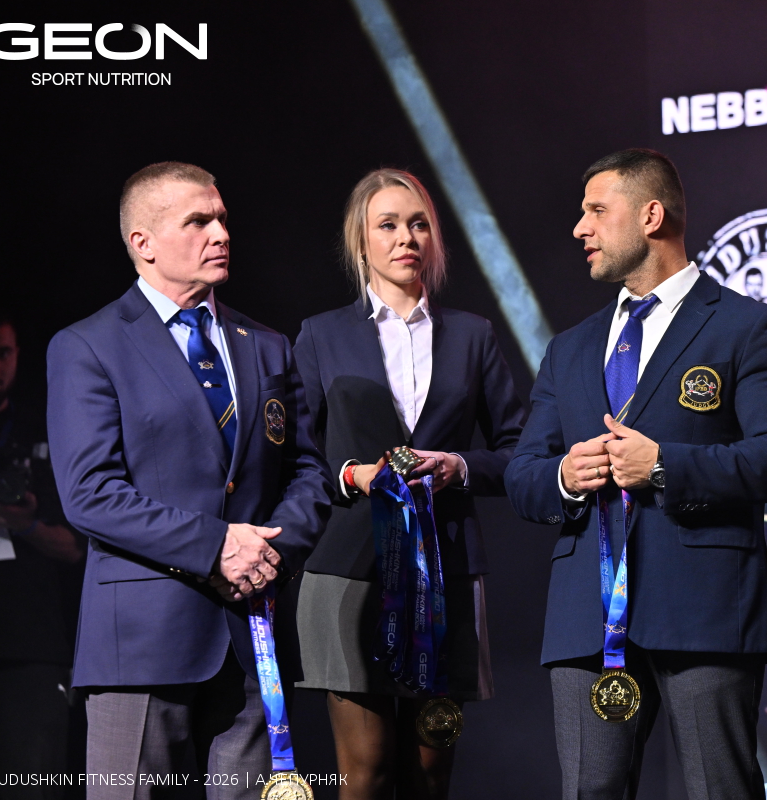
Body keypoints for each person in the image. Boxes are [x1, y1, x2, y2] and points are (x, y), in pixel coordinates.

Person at [504, 149, 767, 800]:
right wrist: (565, 475)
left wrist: (666, 466)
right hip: (587, 619)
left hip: (705, 609)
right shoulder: (570, 347)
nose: (579, 228)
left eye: (596, 211)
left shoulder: (747, 326)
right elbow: (523, 475)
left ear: (651, 216)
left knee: (719, 791)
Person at [46, 162, 332, 799]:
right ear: (142, 242)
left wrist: (270, 553)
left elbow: (308, 470)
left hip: (252, 635)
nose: (221, 234)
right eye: (198, 221)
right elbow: (90, 492)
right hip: (142, 645)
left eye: (222, 219)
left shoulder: (266, 344)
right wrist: (217, 546)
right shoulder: (88, 346)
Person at [293, 168, 526, 800]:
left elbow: (521, 452)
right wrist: (352, 475)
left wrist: (458, 465)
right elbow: (294, 458)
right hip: (348, 570)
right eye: (388, 225)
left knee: (429, 775)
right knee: (365, 773)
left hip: (444, 573)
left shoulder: (473, 335)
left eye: (419, 224)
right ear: (360, 241)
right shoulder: (320, 334)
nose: (406, 238)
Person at [0, 308, 83, 800]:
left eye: (2, 354)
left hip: (30, 649)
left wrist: (25, 524)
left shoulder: (49, 430)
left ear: (18, 355)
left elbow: (77, 547)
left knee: (29, 788)